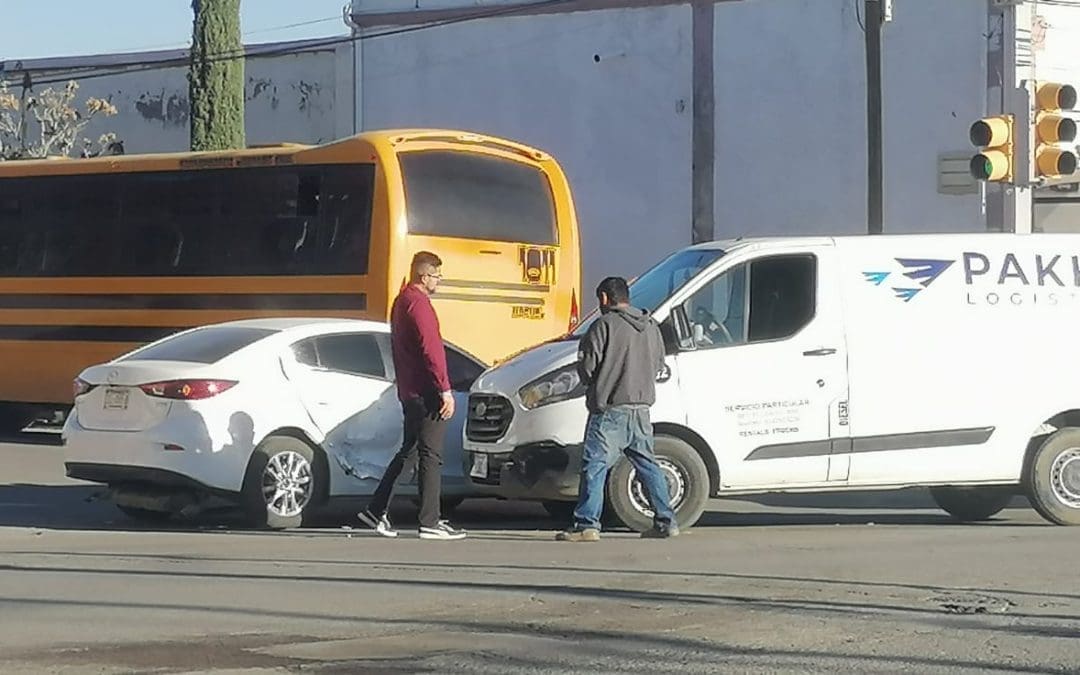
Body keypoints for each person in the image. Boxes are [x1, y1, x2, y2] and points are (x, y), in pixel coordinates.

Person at [557, 276, 679, 542]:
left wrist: (594, 384)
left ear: (604, 298)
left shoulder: (603, 325)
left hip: (610, 408)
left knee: (595, 466)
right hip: (641, 408)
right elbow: (659, 364)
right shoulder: (650, 327)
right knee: (647, 464)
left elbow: (588, 367)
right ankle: (666, 521)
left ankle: (586, 524)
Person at [357, 251, 467, 541]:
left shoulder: (401, 301)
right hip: (427, 391)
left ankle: (374, 510)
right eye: (437, 276)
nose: (439, 281)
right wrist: (445, 389)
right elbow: (432, 350)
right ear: (425, 275)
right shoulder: (419, 305)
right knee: (432, 455)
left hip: (410, 390)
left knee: (411, 451)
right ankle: (430, 521)